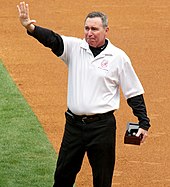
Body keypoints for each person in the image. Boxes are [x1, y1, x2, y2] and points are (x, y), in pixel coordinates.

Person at [17, 2, 151, 187]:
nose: (89, 33)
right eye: (87, 28)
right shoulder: (74, 48)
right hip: (74, 127)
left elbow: (133, 92)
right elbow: (53, 39)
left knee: (102, 180)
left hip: (102, 128)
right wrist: (30, 27)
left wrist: (143, 122)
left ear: (106, 30)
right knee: (63, 176)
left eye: (94, 29)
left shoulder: (118, 57)